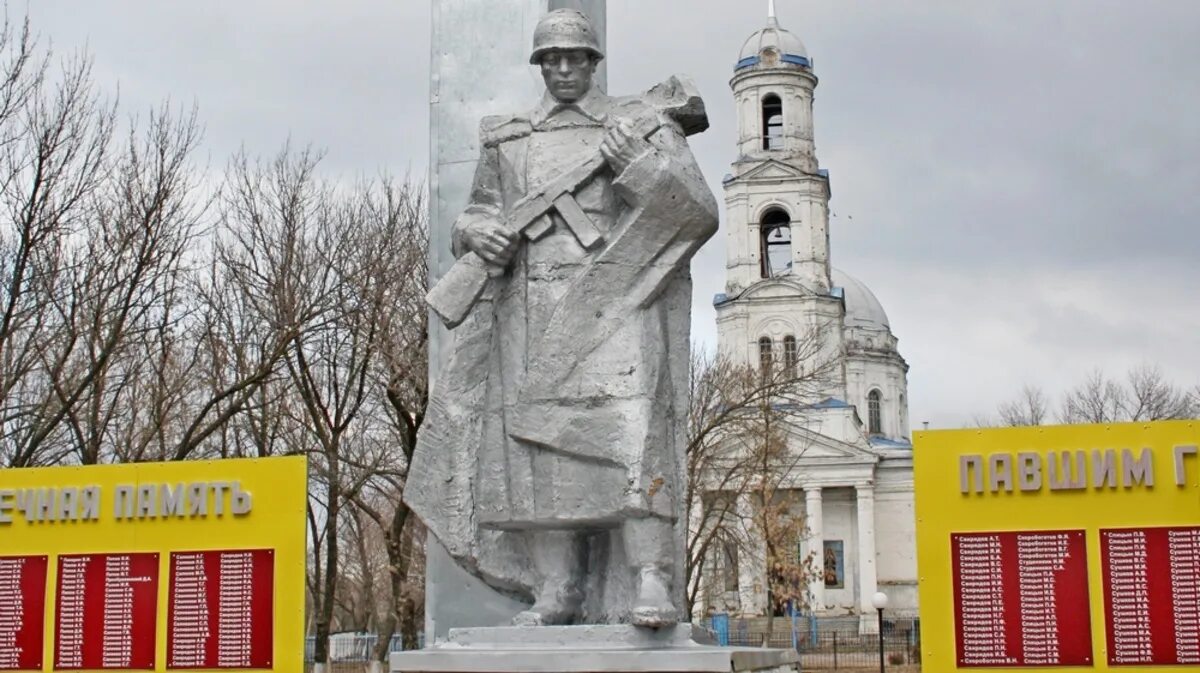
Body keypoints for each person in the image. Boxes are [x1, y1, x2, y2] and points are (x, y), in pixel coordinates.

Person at [406, 9, 718, 628]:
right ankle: (557, 590)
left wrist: (636, 165)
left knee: (633, 435)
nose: (565, 69)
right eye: (553, 59)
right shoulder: (509, 137)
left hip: (616, 301)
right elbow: (475, 214)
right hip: (530, 308)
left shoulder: (635, 126)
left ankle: (649, 579)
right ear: (540, 65)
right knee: (536, 454)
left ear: (593, 62)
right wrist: (477, 234)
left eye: (576, 58)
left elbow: (697, 210)